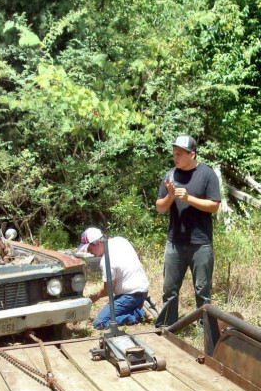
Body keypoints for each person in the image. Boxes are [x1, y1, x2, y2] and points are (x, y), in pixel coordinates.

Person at [154, 134, 221, 327]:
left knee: (202, 290)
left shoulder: (207, 174)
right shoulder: (170, 175)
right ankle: (167, 328)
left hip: (201, 243)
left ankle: (206, 331)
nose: (175, 158)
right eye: (174, 154)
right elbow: (160, 207)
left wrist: (188, 198)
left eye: (179, 154)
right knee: (169, 289)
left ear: (192, 154)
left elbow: (214, 206)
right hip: (174, 243)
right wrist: (171, 196)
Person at [78, 227, 150, 330]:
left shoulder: (106, 261)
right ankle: (138, 306)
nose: (89, 252)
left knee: (100, 323)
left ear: (97, 244)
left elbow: (108, 290)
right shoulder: (120, 240)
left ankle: (138, 314)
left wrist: (92, 299)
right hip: (143, 291)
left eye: (89, 249)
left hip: (129, 297)